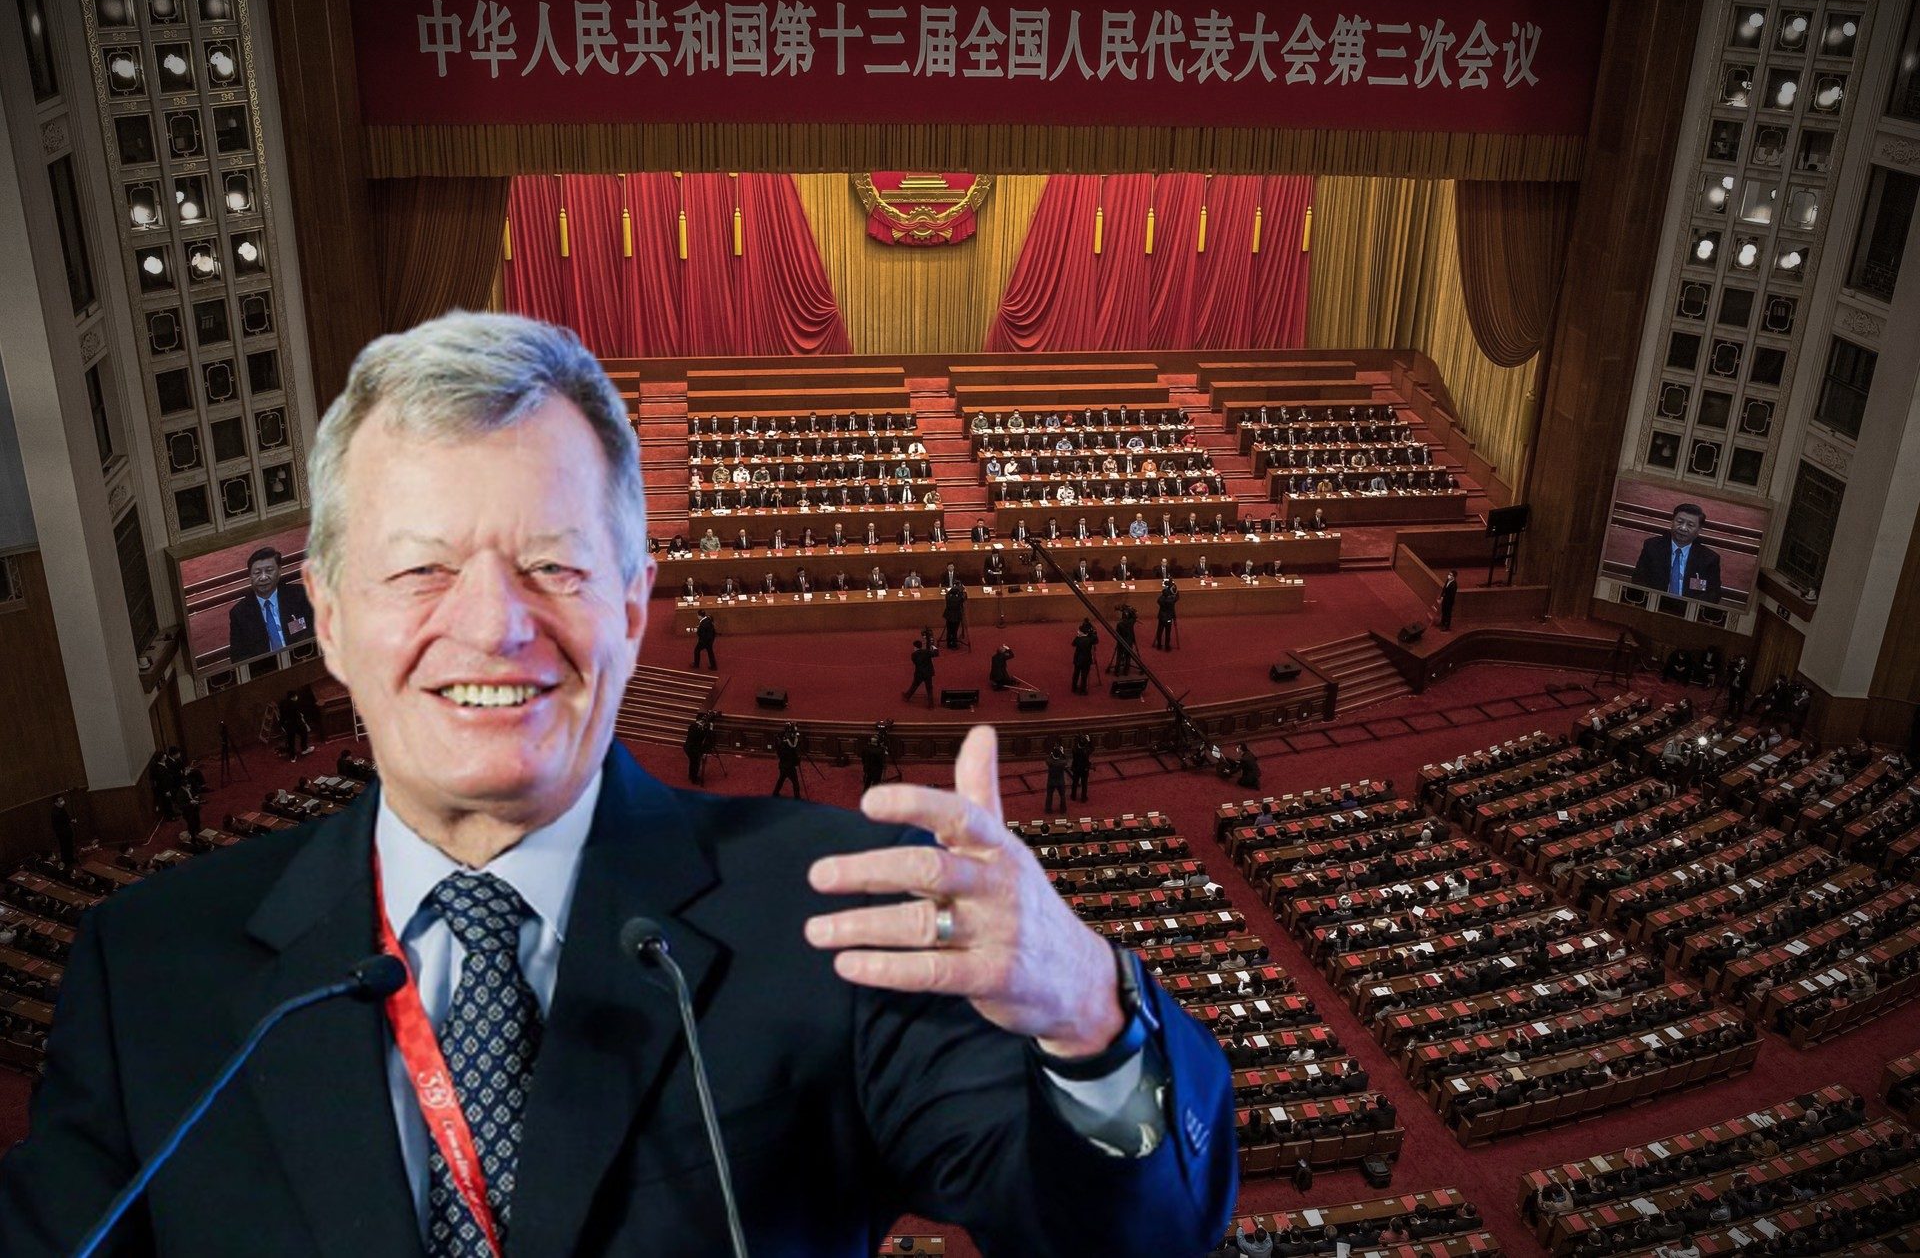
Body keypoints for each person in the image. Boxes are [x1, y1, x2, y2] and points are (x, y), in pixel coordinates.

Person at [0, 313, 1234, 1256]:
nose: (494, 626)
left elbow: (1129, 1242)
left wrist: (1090, 1014)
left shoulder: (839, 912)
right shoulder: (148, 968)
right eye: (422, 570)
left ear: (635, 607)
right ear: (327, 619)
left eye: (555, 566)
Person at [226, 545, 316, 664]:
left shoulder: (300, 595)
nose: (263, 577)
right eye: (257, 573)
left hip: (304, 660)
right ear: (250, 576)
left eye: (269, 570)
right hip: (266, 669)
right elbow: (238, 656)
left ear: (279, 571)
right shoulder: (239, 613)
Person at [1631, 501, 1724, 603]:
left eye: (1690, 525)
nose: (1683, 528)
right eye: (1679, 522)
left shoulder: (1709, 559)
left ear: (1699, 530)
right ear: (1672, 522)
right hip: (1653, 603)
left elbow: (1713, 593)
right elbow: (1638, 579)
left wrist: (1688, 607)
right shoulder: (1653, 547)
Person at [904, 634, 939, 706]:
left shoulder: (914, 654)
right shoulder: (927, 652)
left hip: (919, 673)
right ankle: (931, 704)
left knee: (914, 685)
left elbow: (915, 662)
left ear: (915, 647)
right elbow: (936, 653)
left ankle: (907, 696)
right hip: (928, 673)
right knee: (929, 688)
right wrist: (933, 646)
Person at [772, 722, 803, 799]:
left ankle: (775, 793)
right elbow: (795, 754)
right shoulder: (790, 745)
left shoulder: (781, 743)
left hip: (782, 765)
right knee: (795, 783)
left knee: (781, 779)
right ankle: (797, 799)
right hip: (789, 767)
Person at [683, 712, 713, 784]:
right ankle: (694, 779)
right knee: (696, 763)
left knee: (692, 762)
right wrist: (710, 728)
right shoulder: (700, 729)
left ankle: (691, 775)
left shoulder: (692, 725)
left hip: (687, 747)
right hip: (694, 749)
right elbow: (705, 736)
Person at [49, 797, 77, 872]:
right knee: (64, 847)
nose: (62, 801)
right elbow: (60, 823)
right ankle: (66, 861)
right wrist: (70, 821)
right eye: (60, 801)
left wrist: (70, 820)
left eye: (62, 800)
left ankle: (70, 859)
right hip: (62, 833)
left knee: (69, 845)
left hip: (67, 831)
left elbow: (66, 818)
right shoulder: (55, 812)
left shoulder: (61, 808)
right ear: (56, 803)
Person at [1071, 620, 1098, 695]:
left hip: (1077, 660)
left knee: (1076, 674)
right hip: (1086, 660)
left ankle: (1074, 687)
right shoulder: (1090, 639)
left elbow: (1073, 644)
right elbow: (1096, 640)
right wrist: (1093, 633)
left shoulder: (1078, 639)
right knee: (1084, 675)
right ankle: (1082, 690)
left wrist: (1078, 636)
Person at [1153, 579, 1180, 651]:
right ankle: (1167, 646)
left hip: (1161, 617)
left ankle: (1159, 645)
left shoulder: (1161, 599)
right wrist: (1175, 590)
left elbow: (1158, 600)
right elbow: (1177, 597)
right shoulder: (1172, 600)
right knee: (1168, 632)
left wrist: (1164, 593)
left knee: (1159, 631)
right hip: (1169, 617)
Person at [1044, 743, 1070, 816]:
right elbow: (1066, 760)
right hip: (1060, 782)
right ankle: (1063, 810)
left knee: (1049, 796)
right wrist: (1063, 753)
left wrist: (1051, 754)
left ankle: (1048, 809)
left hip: (1051, 781)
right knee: (1062, 796)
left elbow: (1048, 759)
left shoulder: (1050, 762)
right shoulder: (1062, 762)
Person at [943, 580, 967, 650]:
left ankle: (948, 643)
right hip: (956, 616)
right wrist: (963, 590)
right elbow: (965, 597)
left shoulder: (948, 597)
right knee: (954, 630)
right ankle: (954, 644)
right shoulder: (959, 599)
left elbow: (948, 593)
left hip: (949, 616)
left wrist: (952, 589)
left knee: (949, 630)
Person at [1070, 734, 1094, 803]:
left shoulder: (1074, 749)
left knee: (1075, 782)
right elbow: (1092, 748)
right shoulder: (1086, 751)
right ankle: (1083, 798)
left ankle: (1073, 796)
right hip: (1084, 769)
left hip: (1076, 767)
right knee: (1084, 784)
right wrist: (1089, 741)